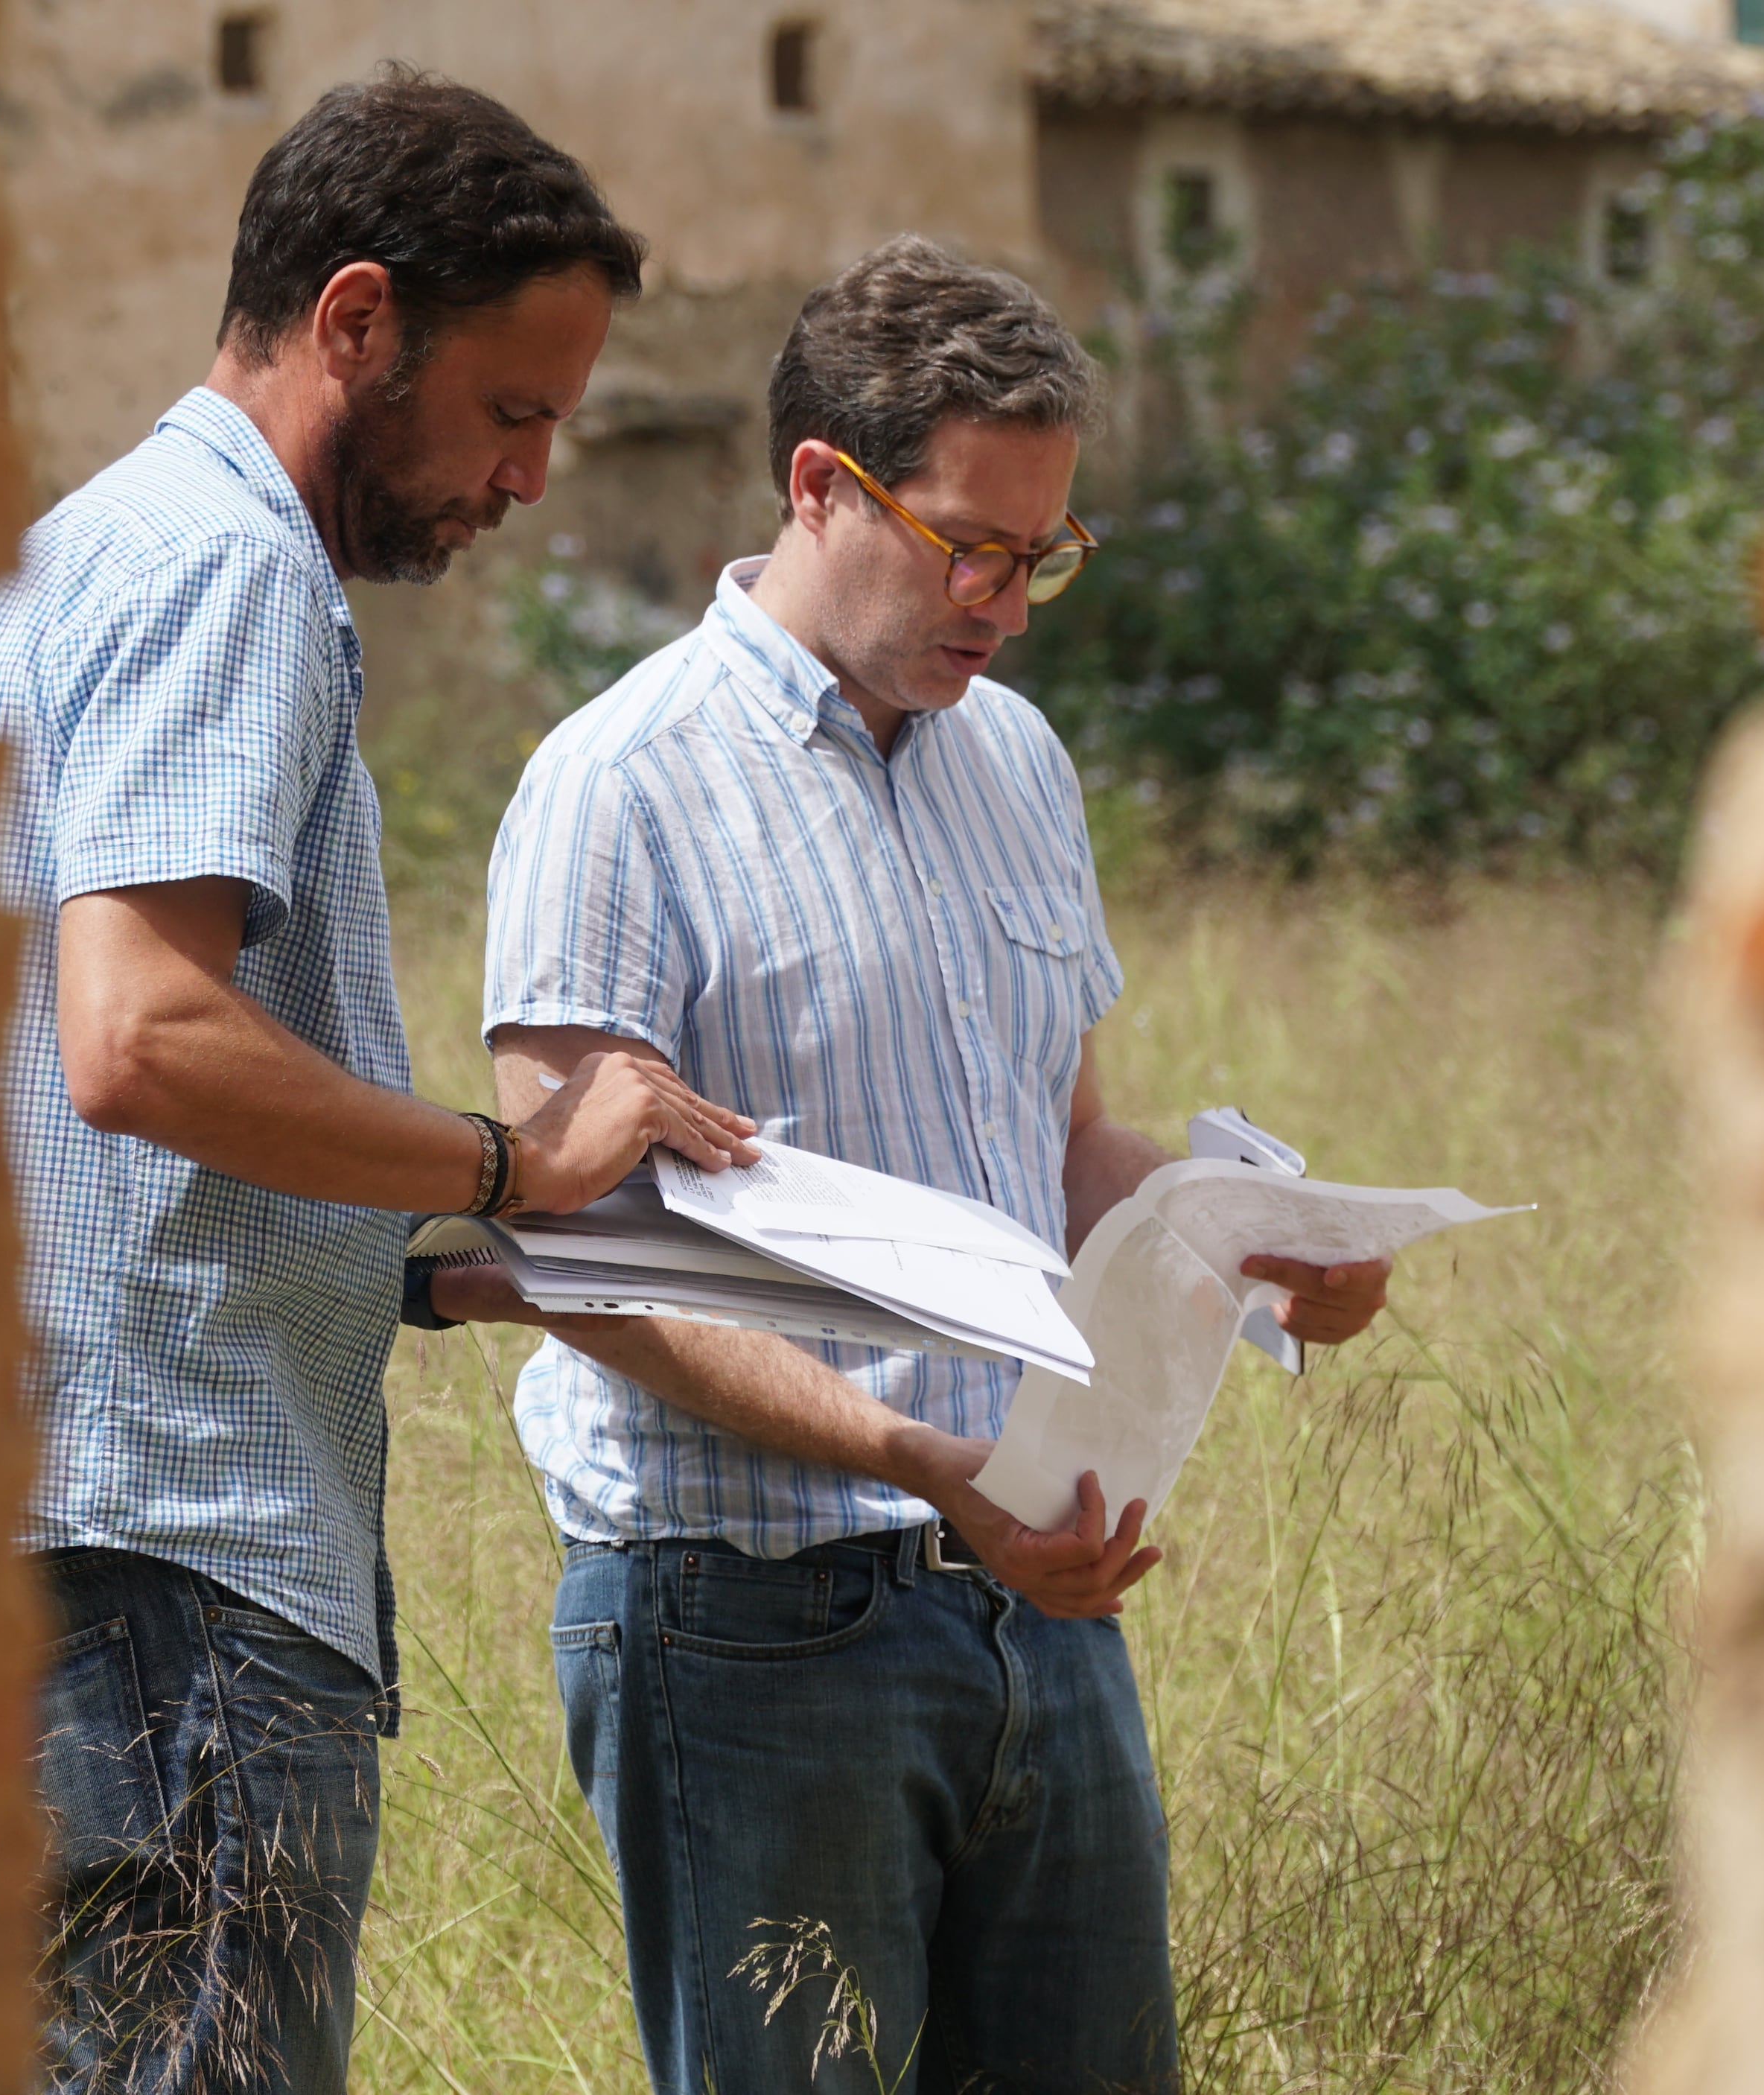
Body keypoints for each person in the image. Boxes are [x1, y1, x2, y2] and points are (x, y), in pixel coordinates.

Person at [471, 237, 1394, 2093]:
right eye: (969, 545)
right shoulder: (618, 784)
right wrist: (916, 1464)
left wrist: (1253, 1248)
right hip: (748, 1617)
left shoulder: (1019, 759)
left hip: (1040, 1589)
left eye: (1042, 554)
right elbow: (582, 1264)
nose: (1008, 605)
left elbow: (1055, 1142)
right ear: (820, 485)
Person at [0, 70, 757, 2094]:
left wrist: (428, 1250)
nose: (536, 479)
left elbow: (54, 1122)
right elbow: (140, 1038)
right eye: (516, 411)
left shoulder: (82, 552)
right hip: (168, 1576)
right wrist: (517, 1153)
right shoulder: (234, 570)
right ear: (358, 322)